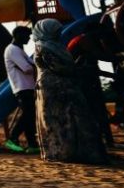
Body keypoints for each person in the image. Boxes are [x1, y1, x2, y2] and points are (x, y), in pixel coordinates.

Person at [32, 19, 108, 164]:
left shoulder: (57, 46)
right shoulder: (43, 47)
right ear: (47, 31)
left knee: (75, 119)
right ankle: (63, 153)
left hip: (68, 87)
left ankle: (81, 152)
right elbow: (60, 67)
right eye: (56, 31)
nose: (59, 34)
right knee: (60, 121)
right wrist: (78, 69)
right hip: (53, 90)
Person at [3, 26, 39, 154]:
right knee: (28, 114)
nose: (29, 38)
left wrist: (32, 65)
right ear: (18, 35)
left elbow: (31, 65)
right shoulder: (13, 50)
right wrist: (33, 66)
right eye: (26, 35)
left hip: (27, 86)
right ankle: (12, 138)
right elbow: (27, 68)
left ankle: (32, 144)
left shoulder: (19, 50)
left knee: (30, 116)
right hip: (22, 87)